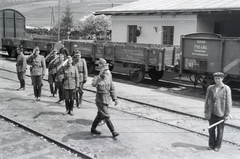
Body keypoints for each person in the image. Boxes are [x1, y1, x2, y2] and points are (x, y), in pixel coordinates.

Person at [204, 72, 232, 152]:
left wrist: (227, 114)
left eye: (218, 78)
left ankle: (217, 146)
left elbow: (228, 102)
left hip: (221, 113)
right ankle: (211, 145)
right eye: (215, 78)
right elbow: (206, 100)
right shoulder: (210, 88)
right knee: (211, 130)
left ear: (222, 79)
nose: (217, 80)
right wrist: (206, 111)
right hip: (211, 112)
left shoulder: (226, 88)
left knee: (220, 131)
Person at [91, 69, 119, 137]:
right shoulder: (97, 78)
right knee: (106, 116)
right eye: (103, 73)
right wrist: (98, 76)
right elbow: (93, 84)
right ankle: (113, 131)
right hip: (100, 100)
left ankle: (93, 128)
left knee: (100, 115)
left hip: (106, 100)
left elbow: (112, 89)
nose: (105, 74)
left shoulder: (109, 78)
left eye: (106, 73)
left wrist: (114, 98)